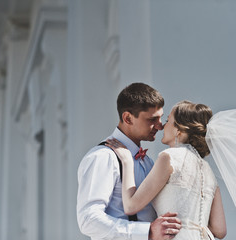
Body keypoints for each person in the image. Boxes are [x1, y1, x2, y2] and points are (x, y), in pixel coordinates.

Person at [106, 101, 227, 240]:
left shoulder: (169, 157)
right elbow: (220, 230)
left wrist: (127, 161)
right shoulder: (209, 172)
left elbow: (131, 206)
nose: (163, 126)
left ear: (178, 130)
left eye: (168, 120)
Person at [76, 83, 182, 240]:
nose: (160, 126)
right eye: (152, 119)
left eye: (161, 118)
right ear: (127, 118)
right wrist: (147, 232)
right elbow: (88, 220)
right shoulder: (103, 157)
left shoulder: (149, 162)